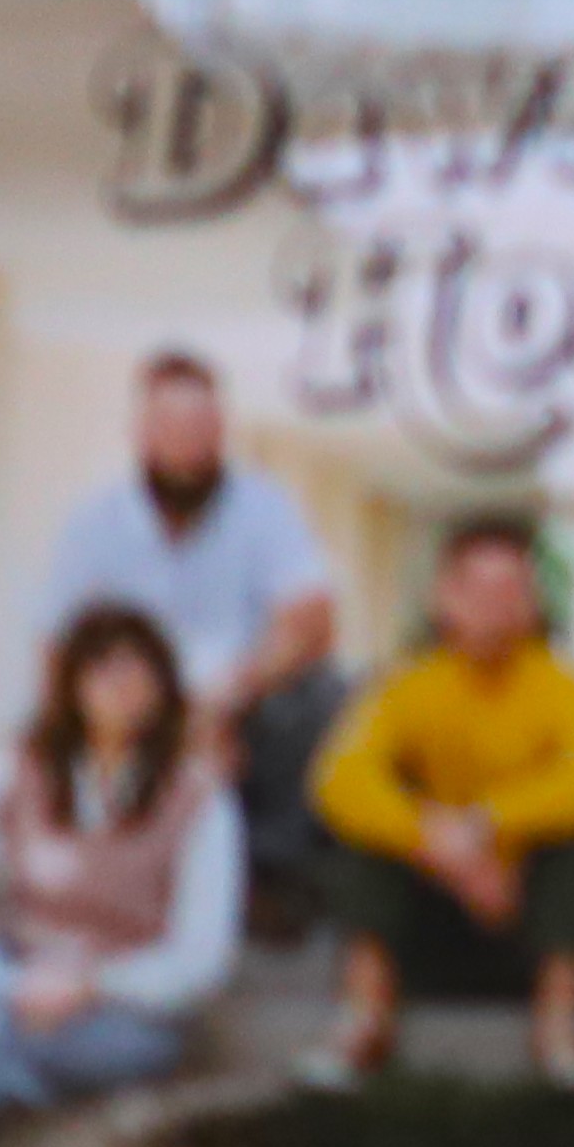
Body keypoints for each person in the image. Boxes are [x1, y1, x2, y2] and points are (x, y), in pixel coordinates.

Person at [307, 516, 574, 1092]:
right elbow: (339, 778)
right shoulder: (406, 684)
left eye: (511, 589)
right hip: (437, 904)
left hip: (534, 904)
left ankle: (561, 1034)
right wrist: (435, 841)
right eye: (477, 589)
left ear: (533, 603)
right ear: (444, 597)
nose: (495, 606)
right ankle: (361, 1023)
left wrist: (486, 827)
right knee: (366, 844)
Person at [0, 601, 245, 1147]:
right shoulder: (14, 774)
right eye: (102, 667)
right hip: (6, 979)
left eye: (138, 668)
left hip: (120, 1011)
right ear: (72, 683)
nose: (121, 685)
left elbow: (200, 962)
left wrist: (90, 984)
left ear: (164, 687)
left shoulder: (201, 802)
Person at [31, 352, 345, 893]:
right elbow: (58, 643)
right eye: (169, 426)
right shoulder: (93, 522)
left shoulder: (265, 507)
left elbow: (312, 619)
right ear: (140, 432)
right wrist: (141, 713)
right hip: (131, 699)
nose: (185, 443)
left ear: (221, 431)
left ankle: (271, 879)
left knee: (327, 696)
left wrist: (220, 703)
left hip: (243, 701)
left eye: (199, 427)